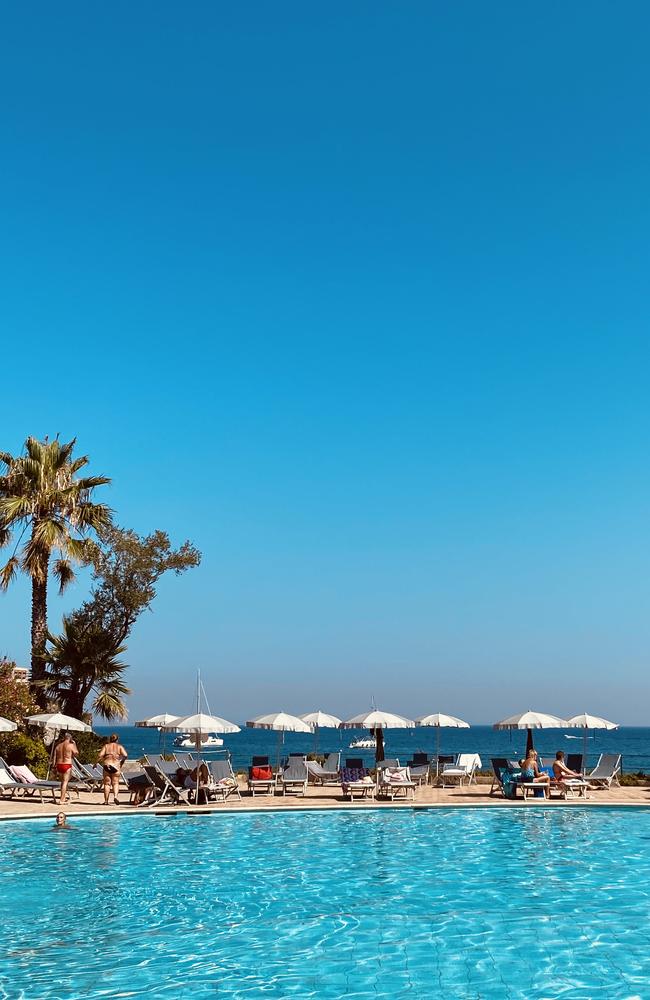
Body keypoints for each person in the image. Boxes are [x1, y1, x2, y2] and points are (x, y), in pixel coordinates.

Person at [97, 733, 127, 805]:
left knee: (107, 784)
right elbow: (125, 755)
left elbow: (100, 755)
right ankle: (115, 797)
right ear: (117, 740)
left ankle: (106, 801)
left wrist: (96, 763)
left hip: (107, 765)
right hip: (116, 766)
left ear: (110, 739)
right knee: (115, 783)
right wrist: (121, 761)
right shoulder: (119, 747)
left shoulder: (106, 746)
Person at [54, 732, 79, 805]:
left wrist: (54, 767)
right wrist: (75, 745)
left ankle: (63, 797)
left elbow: (54, 757)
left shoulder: (58, 746)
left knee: (62, 782)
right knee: (65, 782)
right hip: (67, 764)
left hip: (59, 765)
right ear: (70, 738)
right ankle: (61, 799)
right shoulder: (71, 745)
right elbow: (76, 753)